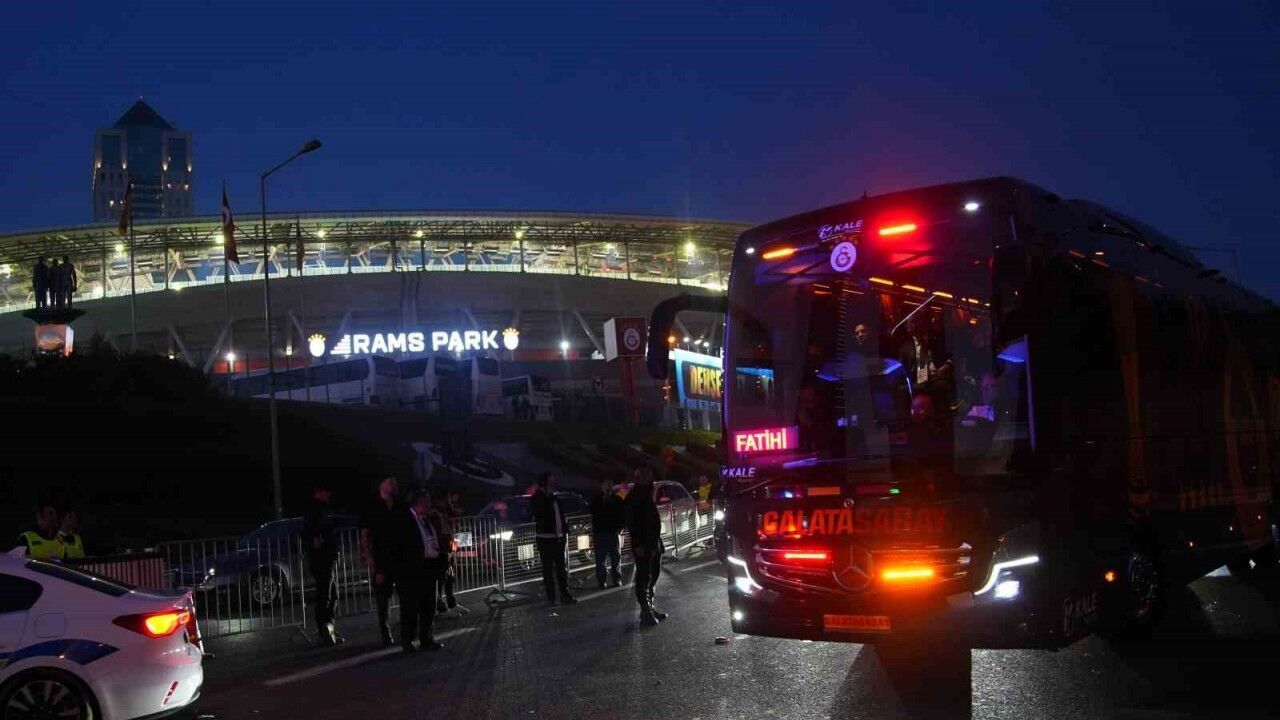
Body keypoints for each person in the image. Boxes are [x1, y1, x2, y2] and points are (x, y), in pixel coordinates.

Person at [394, 489, 450, 652]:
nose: (430, 505)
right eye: (427, 502)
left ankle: (427, 638)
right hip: (412, 569)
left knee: (429, 605)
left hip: (429, 566)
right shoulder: (406, 520)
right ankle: (408, 641)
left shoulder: (426, 519)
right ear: (419, 502)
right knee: (411, 607)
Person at [360, 476, 401, 646]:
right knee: (383, 598)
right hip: (382, 559)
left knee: (406, 593)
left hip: (400, 557)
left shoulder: (399, 505)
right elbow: (365, 534)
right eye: (390, 483)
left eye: (394, 483)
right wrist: (369, 556)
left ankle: (406, 629)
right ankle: (385, 632)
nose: (393, 485)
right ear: (381, 486)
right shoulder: (373, 507)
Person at [625, 467, 667, 626]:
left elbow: (652, 521)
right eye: (647, 476)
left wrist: (657, 543)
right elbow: (632, 523)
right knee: (644, 577)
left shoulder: (646, 494)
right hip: (643, 544)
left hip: (652, 542)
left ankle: (650, 606)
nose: (651, 479)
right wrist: (638, 544)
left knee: (653, 575)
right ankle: (645, 610)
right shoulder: (634, 497)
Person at [303, 483, 341, 645]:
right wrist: (318, 541)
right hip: (322, 559)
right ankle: (324, 630)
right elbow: (315, 534)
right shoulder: (316, 511)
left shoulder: (320, 510)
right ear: (318, 492)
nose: (328, 495)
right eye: (326, 492)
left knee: (331, 595)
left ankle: (328, 629)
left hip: (325, 558)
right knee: (326, 595)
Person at [530, 473, 577, 605]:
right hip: (545, 539)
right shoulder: (538, 498)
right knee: (548, 570)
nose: (553, 484)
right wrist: (545, 495)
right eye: (550, 481)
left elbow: (560, 515)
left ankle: (564, 594)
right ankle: (551, 597)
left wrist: (564, 531)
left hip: (558, 538)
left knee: (561, 569)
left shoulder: (554, 498)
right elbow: (539, 513)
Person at [589, 478, 624, 589]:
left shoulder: (617, 500)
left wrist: (621, 528)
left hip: (613, 533)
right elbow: (592, 512)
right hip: (600, 534)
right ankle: (602, 580)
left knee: (616, 558)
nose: (608, 487)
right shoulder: (596, 500)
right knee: (600, 560)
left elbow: (623, 514)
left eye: (610, 485)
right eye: (606, 485)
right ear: (602, 487)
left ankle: (616, 579)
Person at [435, 490, 464, 614]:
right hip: (441, 550)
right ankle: (439, 606)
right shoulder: (435, 513)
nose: (449, 501)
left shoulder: (445, 511)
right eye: (447, 499)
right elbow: (441, 532)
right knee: (441, 579)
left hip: (448, 548)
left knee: (449, 577)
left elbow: (456, 519)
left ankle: (451, 603)